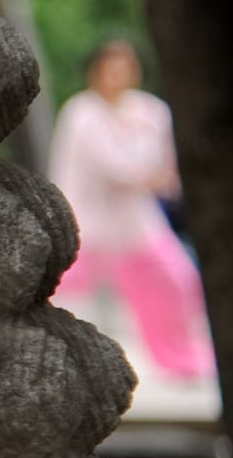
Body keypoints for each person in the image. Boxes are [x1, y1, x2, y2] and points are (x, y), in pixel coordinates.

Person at [49, 39, 215, 380]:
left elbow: (165, 170)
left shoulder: (152, 110)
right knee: (55, 291)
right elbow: (121, 167)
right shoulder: (81, 113)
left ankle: (183, 360)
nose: (119, 73)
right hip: (86, 224)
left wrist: (152, 175)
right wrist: (148, 174)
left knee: (177, 281)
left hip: (135, 225)